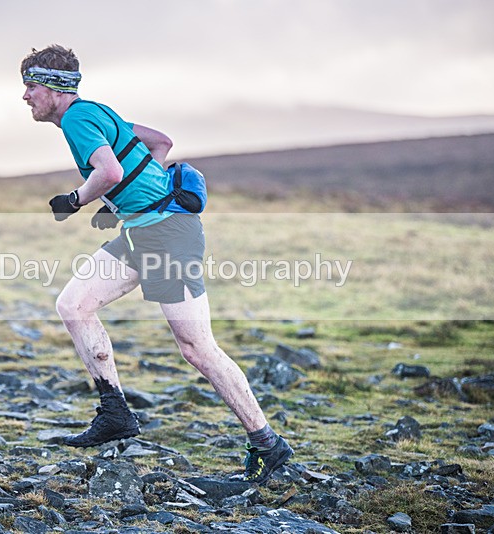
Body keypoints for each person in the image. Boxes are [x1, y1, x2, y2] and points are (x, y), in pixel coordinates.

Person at [20, 44, 293, 483]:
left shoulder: (76, 119)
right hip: (139, 233)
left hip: (167, 236)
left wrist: (76, 199)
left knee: (197, 348)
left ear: (53, 88)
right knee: (74, 305)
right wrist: (129, 199)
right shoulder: (98, 112)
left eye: (30, 86)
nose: (25, 96)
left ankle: (268, 443)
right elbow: (160, 143)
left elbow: (109, 172)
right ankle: (115, 412)